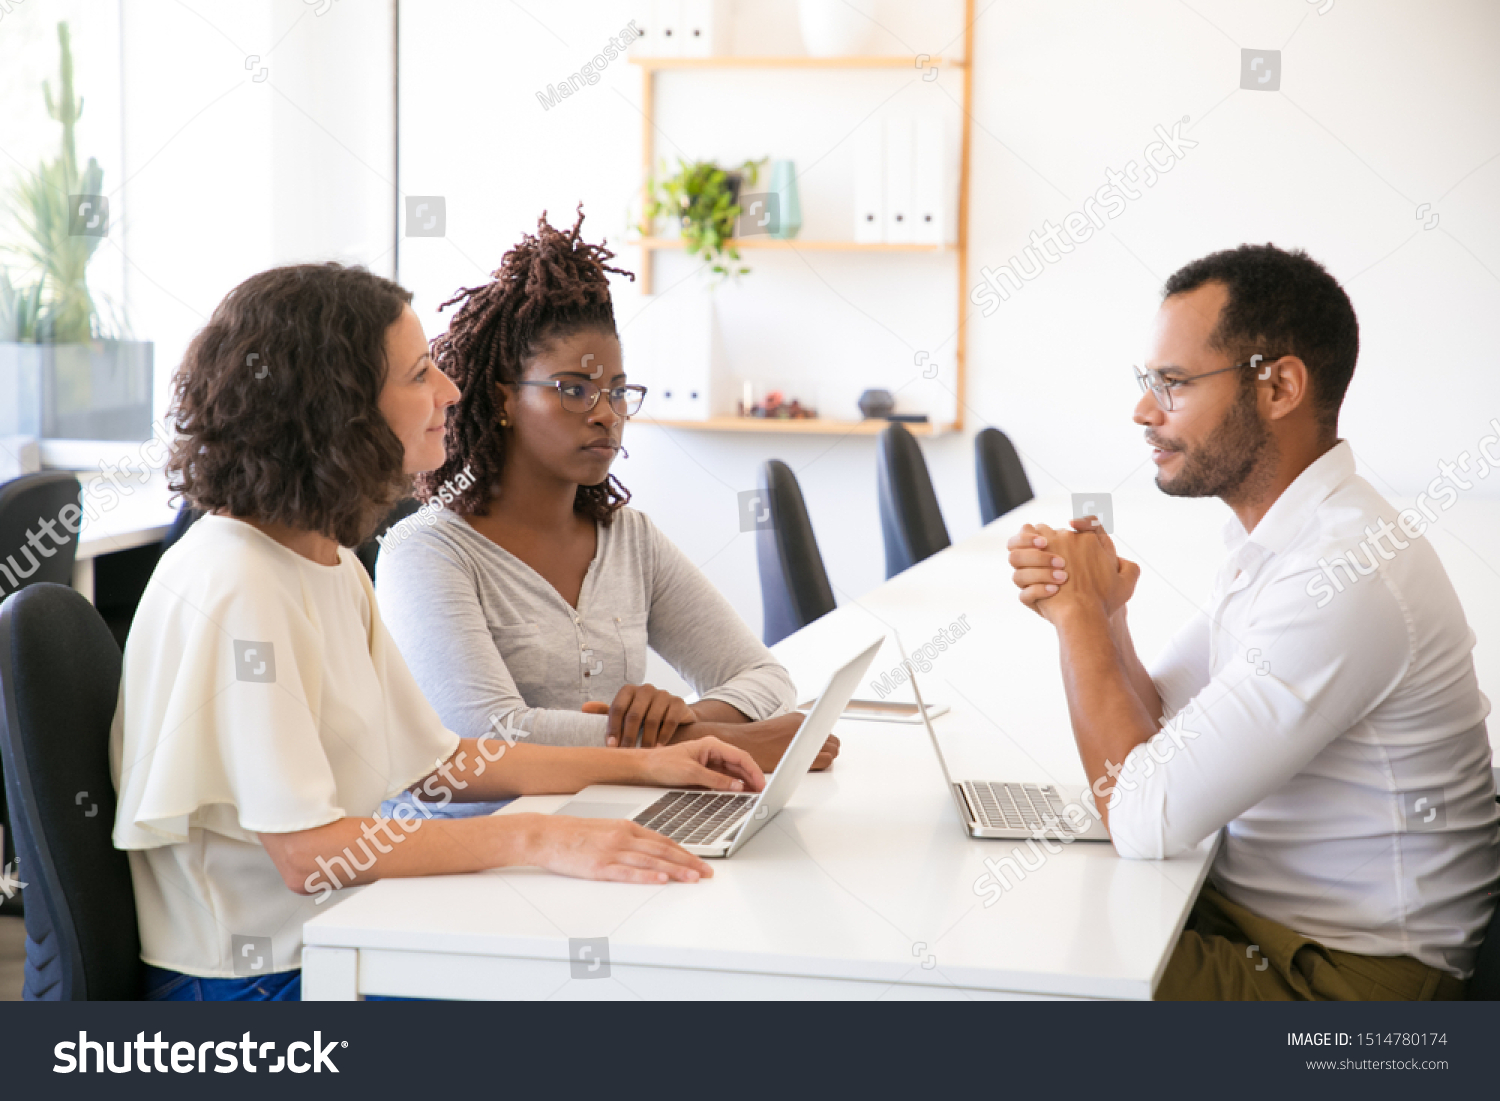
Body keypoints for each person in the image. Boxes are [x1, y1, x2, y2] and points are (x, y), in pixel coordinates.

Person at [111, 262, 765, 1001]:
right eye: (420, 374)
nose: (450, 392)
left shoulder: (325, 557)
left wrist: (650, 764)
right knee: (594, 991)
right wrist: (541, 838)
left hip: (339, 940)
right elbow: (307, 854)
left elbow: (441, 763)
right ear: (340, 405)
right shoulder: (239, 582)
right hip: (255, 980)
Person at [1005, 243, 1498, 1000]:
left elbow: (1140, 813)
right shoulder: (1283, 538)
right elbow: (1166, 730)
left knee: (1028, 970)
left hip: (1352, 987)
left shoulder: (1343, 572)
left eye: (1173, 384)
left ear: (1280, 386)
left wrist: (1075, 619)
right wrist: (1104, 615)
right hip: (1271, 929)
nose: (1144, 411)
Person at [374, 208, 826, 822]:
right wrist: (711, 743)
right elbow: (487, 740)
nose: (605, 414)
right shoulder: (425, 550)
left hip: (609, 830)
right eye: (574, 389)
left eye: (617, 392)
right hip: (479, 863)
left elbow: (763, 676)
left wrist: (681, 717)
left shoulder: (629, 539)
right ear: (505, 397)